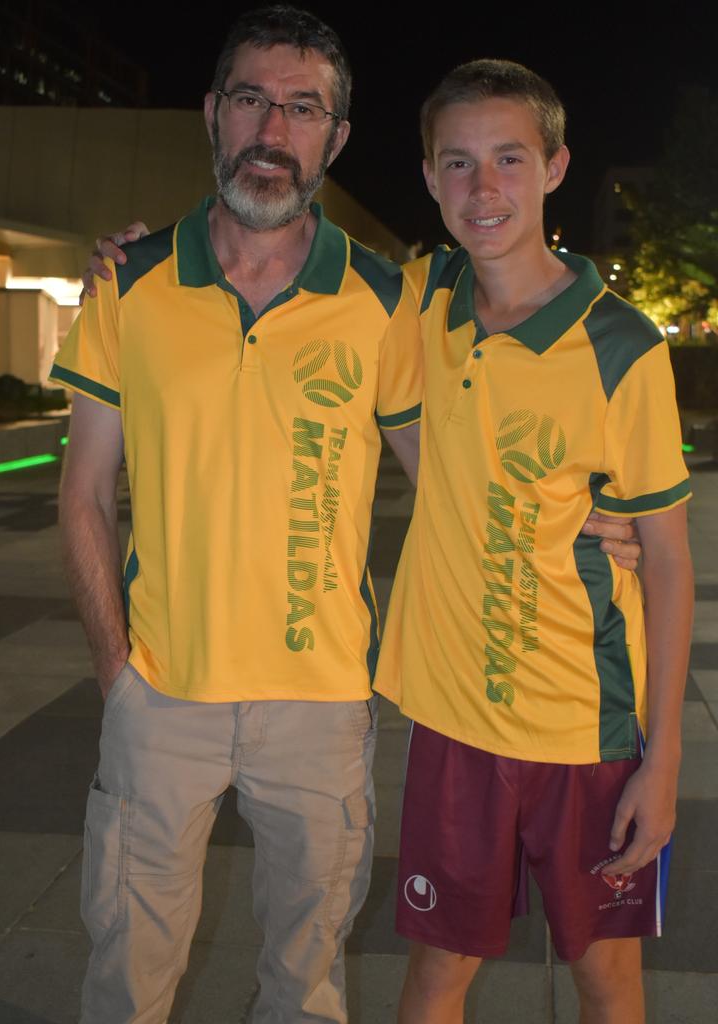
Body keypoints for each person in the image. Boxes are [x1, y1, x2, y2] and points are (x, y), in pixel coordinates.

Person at [73, 11, 641, 1022]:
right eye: (251, 97)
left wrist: (597, 517)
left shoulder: (390, 301)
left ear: (335, 137)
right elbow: (80, 492)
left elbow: (458, 470)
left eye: (304, 107)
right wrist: (117, 669)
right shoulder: (132, 284)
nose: (272, 127)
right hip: (161, 695)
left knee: (305, 981)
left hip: (324, 703)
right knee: (126, 971)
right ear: (212, 114)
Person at [374, 59, 694, 1023]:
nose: (484, 188)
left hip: (586, 730)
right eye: (458, 163)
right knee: (437, 975)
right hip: (454, 721)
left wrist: (665, 757)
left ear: (555, 166)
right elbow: (277, 248)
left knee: (607, 979)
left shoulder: (622, 346)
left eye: (509, 158)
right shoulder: (419, 303)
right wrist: (130, 257)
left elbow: (670, 558)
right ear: (429, 179)